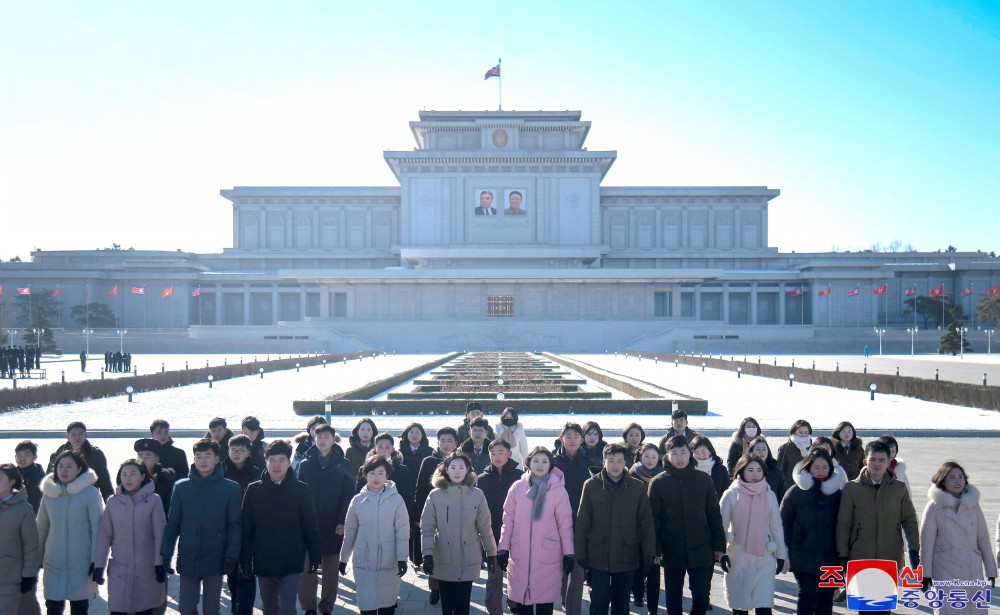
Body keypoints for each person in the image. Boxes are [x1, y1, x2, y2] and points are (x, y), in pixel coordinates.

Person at [836, 440, 920, 615]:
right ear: (865, 461)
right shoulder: (852, 488)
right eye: (873, 459)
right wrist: (842, 554)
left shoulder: (899, 488)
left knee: (884, 610)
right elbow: (844, 524)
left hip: (889, 557)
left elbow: (910, 520)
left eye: (882, 460)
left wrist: (913, 549)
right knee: (865, 610)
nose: (877, 464)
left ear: (889, 461)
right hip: (860, 558)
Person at [161, 438, 242, 615]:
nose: (203, 461)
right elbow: (173, 524)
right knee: (186, 607)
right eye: (198, 456)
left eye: (208, 456)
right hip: (188, 556)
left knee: (211, 608)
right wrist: (165, 554)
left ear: (217, 459)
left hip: (216, 557)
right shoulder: (182, 487)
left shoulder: (230, 488)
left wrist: (231, 555)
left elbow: (234, 525)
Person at [241, 440, 321, 615]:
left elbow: (311, 526)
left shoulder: (302, 490)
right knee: (269, 608)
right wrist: (245, 558)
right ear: (265, 462)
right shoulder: (254, 490)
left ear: (289, 463)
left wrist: (315, 557)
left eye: (282, 460)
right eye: (272, 460)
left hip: (292, 560)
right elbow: (247, 528)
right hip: (264, 559)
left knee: (287, 608)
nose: (277, 465)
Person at [648, 436, 726, 615]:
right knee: (673, 598)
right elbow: (653, 519)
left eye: (683, 452)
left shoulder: (703, 479)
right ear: (666, 456)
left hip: (701, 547)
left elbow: (714, 514)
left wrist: (719, 545)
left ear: (690, 454)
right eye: (674, 453)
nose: (679, 457)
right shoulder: (659, 483)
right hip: (671, 549)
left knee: (701, 597)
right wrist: (655, 549)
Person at [576, 442, 656, 615]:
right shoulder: (591, 485)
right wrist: (580, 552)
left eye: (620, 460)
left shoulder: (637, 487)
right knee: (599, 601)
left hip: (626, 553)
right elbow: (583, 521)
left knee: (621, 603)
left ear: (626, 462)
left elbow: (646, 522)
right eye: (611, 460)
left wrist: (649, 551)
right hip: (598, 553)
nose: (615, 465)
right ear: (604, 461)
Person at [498, 446, 574, 615]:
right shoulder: (517, 488)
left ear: (550, 465)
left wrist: (569, 553)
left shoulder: (557, 490)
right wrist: (503, 548)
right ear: (529, 463)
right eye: (536, 460)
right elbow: (508, 520)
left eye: (545, 461)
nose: (540, 465)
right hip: (520, 554)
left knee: (545, 605)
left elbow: (565, 523)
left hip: (548, 554)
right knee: (523, 602)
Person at [420, 451, 497, 615]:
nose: (457, 471)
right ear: (446, 470)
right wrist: (427, 554)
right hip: (443, 556)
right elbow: (427, 528)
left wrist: (492, 554)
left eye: (461, 467)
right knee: (447, 606)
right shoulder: (435, 495)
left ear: (468, 470)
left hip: (468, 556)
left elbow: (485, 527)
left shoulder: (477, 495)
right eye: (452, 467)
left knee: (462, 604)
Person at [919, 461, 996, 615]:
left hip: (972, 570)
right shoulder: (934, 506)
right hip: (945, 571)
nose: (958, 481)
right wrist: (925, 574)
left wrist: (991, 569)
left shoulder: (973, 505)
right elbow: (926, 544)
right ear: (942, 480)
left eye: (961, 477)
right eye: (952, 477)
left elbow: (983, 538)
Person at [93, 460, 167, 615]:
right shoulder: (113, 502)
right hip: (120, 570)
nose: (128, 478)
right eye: (124, 474)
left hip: (146, 569)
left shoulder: (153, 500)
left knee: (144, 609)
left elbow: (160, 533)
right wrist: (99, 566)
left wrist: (160, 563)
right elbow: (105, 535)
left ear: (142, 476)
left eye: (133, 474)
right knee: (117, 609)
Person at [339, 455, 409, 615]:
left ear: (387, 475)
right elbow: (350, 532)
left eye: (380, 473)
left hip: (389, 560)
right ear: (365, 475)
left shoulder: (397, 500)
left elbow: (403, 532)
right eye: (372, 473)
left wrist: (402, 558)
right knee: (366, 605)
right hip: (363, 559)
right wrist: (343, 559)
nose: (376, 477)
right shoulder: (357, 501)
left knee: (387, 604)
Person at [37, 450, 104, 615]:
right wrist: (36, 557)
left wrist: (97, 561)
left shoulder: (90, 494)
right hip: (53, 562)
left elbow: (98, 529)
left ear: (79, 469)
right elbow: (41, 527)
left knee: (79, 609)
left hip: (81, 563)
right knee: (53, 608)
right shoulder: (49, 495)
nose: (64, 470)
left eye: (69, 466)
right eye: (60, 466)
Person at [719, 454, 788, 615]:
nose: (755, 474)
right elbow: (721, 526)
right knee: (740, 605)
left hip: (764, 555)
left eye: (759, 470)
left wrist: (781, 555)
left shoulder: (769, 495)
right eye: (750, 470)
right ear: (741, 471)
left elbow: (776, 527)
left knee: (764, 605)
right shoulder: (730, 495)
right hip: (738, 557)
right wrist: (721, 552)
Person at [296, 424, 354, 615]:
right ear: (313, 438)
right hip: (309, 523)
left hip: (333, 523)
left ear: (333, 439)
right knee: (307, 569)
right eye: (318, 437)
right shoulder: (306, 464)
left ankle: (327, 605)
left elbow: (348, 495)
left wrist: (342, 521)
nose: (322, 440)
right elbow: (300, 495)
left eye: (326, 437)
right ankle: (309, 606)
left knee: (330, 570)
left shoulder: (344, 464)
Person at [779, 448, 843, 615]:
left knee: (826, 597)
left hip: (831, 556)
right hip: (802, 555)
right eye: (816, 467)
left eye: (824, 467)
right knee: (808, 594)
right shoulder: (796, 492)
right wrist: (784, 550)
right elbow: (783, 522)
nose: (821, 471)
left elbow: (845, 524)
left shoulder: (837, 494)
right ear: (807, 467)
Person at [554, 422, 595, 615]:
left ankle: (573, 609)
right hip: (556, 522)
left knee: (577, 571)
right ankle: (564, 598)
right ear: (562, 438)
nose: (572, 440)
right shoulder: (553, 463)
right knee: (561, 567)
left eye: (576, 436)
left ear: (582, 439)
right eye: (568, 436)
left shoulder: (590, 463)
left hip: (581, 523)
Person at [414, 427, 459, 604]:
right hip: (434, 511)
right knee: (434, 549)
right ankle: (435, 588)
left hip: (457, 513)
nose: (446, 444)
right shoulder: (428, 461)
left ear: (456, 442)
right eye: (443, 440)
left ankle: (453, 585)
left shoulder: (462, 460)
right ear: (437, 442)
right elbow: (420, 488)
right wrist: (418, 515)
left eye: (450, 441)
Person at [478, 440, 522, 615]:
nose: (497, 457)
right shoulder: (481, 479)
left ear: (509, 454)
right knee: (494, 576)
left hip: (517, 533)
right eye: (493, 453)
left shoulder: (520, 476)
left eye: (501, 452)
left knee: (516, 575)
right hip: (492, 534)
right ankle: (494, 610)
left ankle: (515, 604)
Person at [222, 435, 260, 615]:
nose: (237, 454)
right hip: (227, 529)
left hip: (249, 529)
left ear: (249, 452)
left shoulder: (257, 472)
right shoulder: (220, 471)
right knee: (232, 573)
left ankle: (244, 611)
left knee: (247, 571)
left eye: (241, 450)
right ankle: (235, 607)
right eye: (233, 450)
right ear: (228, 451)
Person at [0, 463, 40, 615]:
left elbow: (31, 546)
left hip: (11, 578)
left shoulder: (24, 509)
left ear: (12, 482)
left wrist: (29, 575)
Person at [629, 443, 664, 613]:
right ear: (640, 456)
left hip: (655, 529)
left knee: (654, 567)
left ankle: (653, 607)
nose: (650, 460)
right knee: (637, 566)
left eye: (654, 456)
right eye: (646, 456)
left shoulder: (663, 476)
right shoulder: (632, 474)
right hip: (635, 528)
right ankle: (637, 594)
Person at [48, 421, 114, 500]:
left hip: (89, 500)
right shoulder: (58, 454)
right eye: (73, 434)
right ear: (68, 437)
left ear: (85, 435)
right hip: (64, 500)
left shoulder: (96, 455)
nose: (77, 437)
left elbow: (104, 482)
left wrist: (110, 505)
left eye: (80, 434)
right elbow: (49, 480)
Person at [134, 438, 175, 516]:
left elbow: (169, 507)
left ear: (157, 459)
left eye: (148, 456)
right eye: (140, 455)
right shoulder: (131, 477)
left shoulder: (165, 479)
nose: (142, 460)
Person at [775, 420, 812, 498]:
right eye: (800, 432)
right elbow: (780, 470)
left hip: (809, 487)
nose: (803, 435)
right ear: (794, 431)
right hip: (790, 488)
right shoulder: (785, 448)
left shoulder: (813, 448)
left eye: (806, 433)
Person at [689, 435, 730, 499]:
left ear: (710, 451)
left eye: (703, 452)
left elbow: (727, 493)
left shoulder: (721, 470)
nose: (700, 456)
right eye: (696, 452)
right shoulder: (688, 470)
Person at [14, 440, 44, 513]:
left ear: (34, 457)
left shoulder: (41, 478)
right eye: (19, 455)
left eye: (27, 455)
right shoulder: (11, 475)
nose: (22, 458)